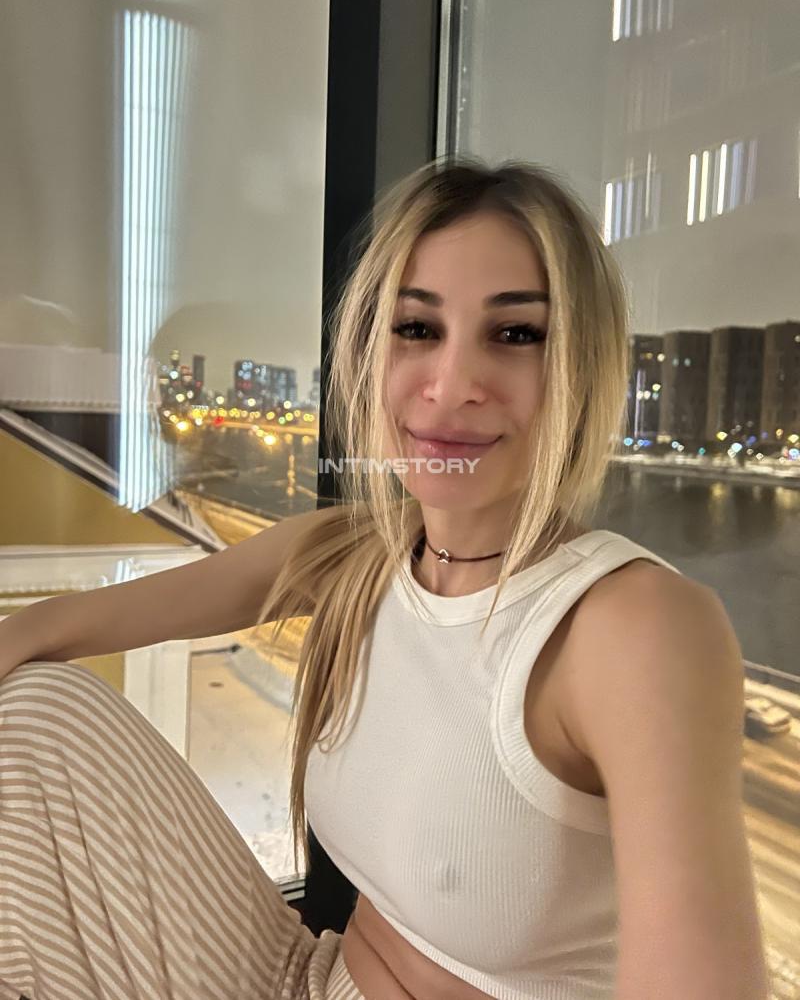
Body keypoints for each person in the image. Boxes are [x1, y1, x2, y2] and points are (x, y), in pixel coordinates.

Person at [0, 157, 770, 1000]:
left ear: (582, 368)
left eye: (516, 334)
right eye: (417, 327)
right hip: (302, 977)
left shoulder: (632, 626)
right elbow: (58, 624)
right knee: (32, 717)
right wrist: (22, 633)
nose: (452, 385)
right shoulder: (360, 555)